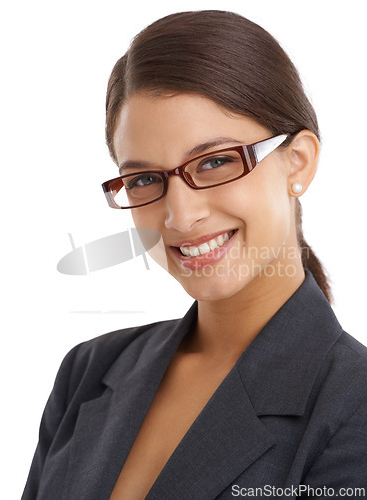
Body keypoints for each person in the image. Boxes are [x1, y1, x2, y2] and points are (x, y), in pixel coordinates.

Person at [22, 10, 367, 499]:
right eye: (144, 179)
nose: (180, 217)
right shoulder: (89, 372)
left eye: (216, 161)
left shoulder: (352, 406)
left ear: (298, 162)